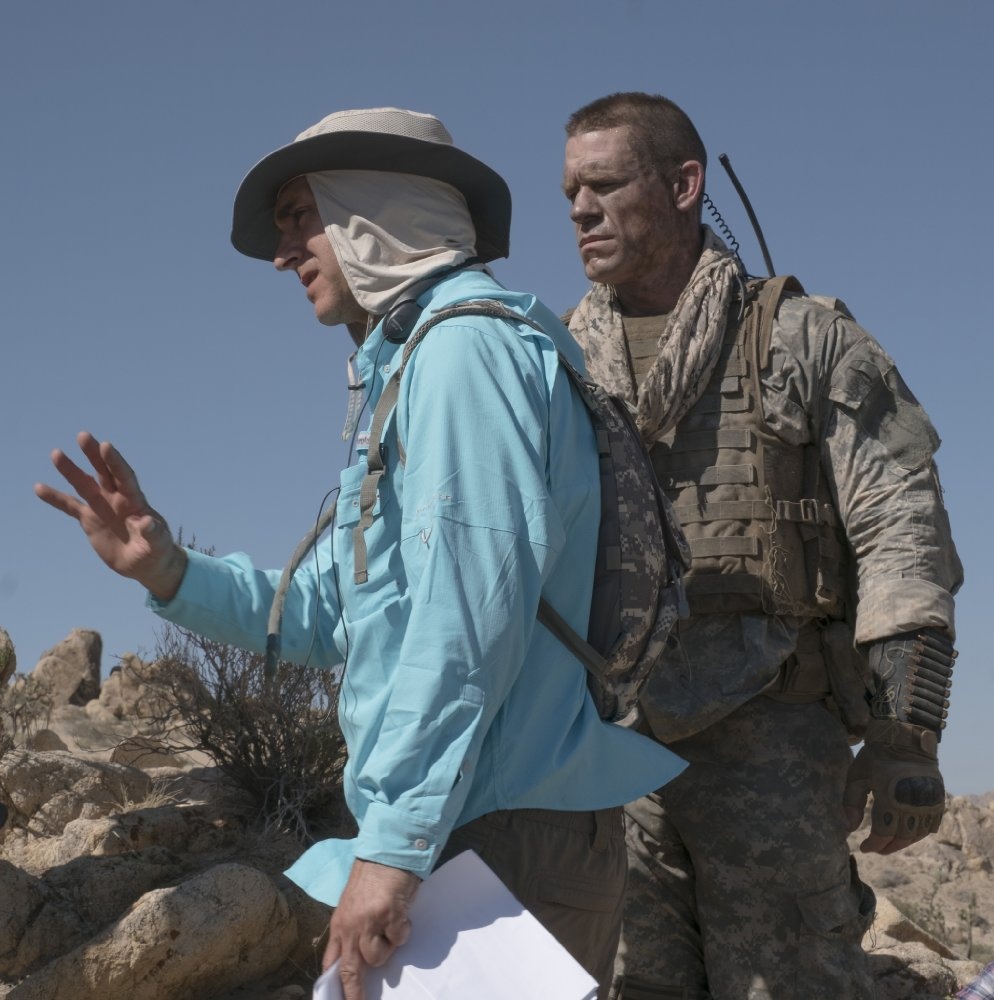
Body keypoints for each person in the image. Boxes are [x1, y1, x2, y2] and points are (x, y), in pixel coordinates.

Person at [34, 107, 687, 1000]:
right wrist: (169, 572)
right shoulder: (420, 365)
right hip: (468, 827)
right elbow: (332, 614)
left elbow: (469, 617)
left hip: (497, 839)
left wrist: (393, 848)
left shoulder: (464, 355)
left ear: (373, 209)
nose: (282, 253)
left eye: (299, 216)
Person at [561, 91, 963, 1000]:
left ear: (683, 186)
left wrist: (904, 738)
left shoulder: (802, 338)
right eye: (570, 192)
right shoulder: (557, 361)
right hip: (610, 745)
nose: (581, 209)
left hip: (772, 737)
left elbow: (902, 533)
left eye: (605, 185)